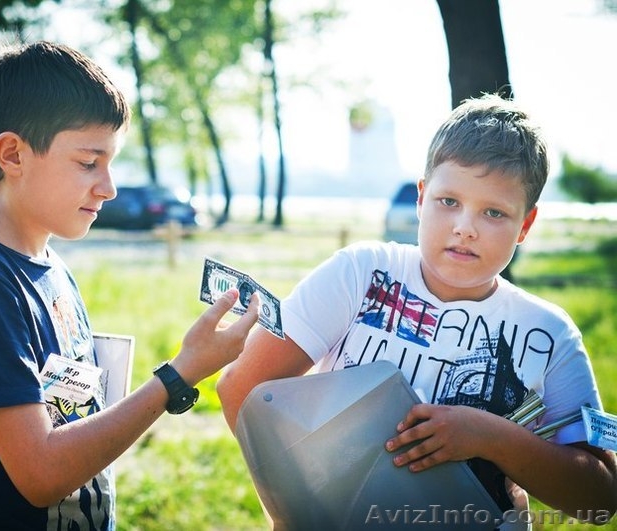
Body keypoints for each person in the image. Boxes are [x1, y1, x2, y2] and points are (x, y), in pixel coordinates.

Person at [217, 94, 617, 526]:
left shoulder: (550, 334)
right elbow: (243, 387)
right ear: (422, 197)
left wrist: (492, 437)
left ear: (525, 224)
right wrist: (300, 510)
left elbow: (602, 495)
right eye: (449, 201)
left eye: (494, 212)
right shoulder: (360, 273)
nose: (465, 227)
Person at [0, 41, 260, 530]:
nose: (109, 187)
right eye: (88, 162)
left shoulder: (50, 265)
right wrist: (179, 376)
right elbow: (42, 472)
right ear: (13, 154)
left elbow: (68, 418)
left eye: (110, 162)